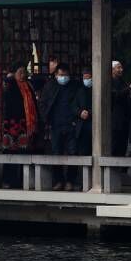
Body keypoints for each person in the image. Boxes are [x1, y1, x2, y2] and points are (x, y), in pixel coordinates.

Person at [40, 62, 80, 190]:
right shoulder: (49, 86)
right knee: (56, 153)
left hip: (71, 125)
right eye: (61, 75)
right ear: (56, 75)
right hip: (56, 125)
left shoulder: (74, 86)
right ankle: (58, 181)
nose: (63, 77)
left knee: (73, 153)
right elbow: (43, 103)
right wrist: (46, 119)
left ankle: (70, 181)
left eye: (66, 75)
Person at [1, 64, 37, 189]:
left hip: (24, 125)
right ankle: (7, 180)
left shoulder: (29, 86)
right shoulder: (11, 84)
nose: (23, 75)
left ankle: (22, 180)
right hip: (11, 124)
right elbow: (6, 96)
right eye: (20, 72)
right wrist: (10, 78)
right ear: (15, 73)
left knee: (24, 152)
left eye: (24, 72)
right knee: (9, 152)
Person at [109, 60, 131, 157]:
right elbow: (115, 96)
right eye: (118, 67)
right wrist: (129, 89)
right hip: (114, 118)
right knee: (114, 143)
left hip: (124, 118)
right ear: (112, 70)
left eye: (121, 67)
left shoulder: (122, 81)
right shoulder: (109, 82)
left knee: (123, 144)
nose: (121, 70)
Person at [76, 67, 93, 160]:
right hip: (82, 126)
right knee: (83, 152)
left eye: (88, 78)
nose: (86, 80)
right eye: (84, 78)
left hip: (94, 125)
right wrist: (80, 112)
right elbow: (74, 105)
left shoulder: (96, 90)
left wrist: (89, 113)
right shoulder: (79, 90)